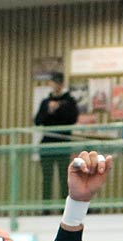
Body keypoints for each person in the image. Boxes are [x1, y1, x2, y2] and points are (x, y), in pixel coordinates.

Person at [34, 74, 79, 203]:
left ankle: (64, 207)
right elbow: (38, 120)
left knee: (64, 177)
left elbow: (73, 119)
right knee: (47, 177)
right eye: (54, 82)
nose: (56, 85)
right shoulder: (45, 102)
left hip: (63, 143)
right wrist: (49, 110)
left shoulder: (69, 101)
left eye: (58, 82)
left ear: (62, 84)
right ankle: (46, 207)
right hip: (47, 144)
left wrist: (60, 108)